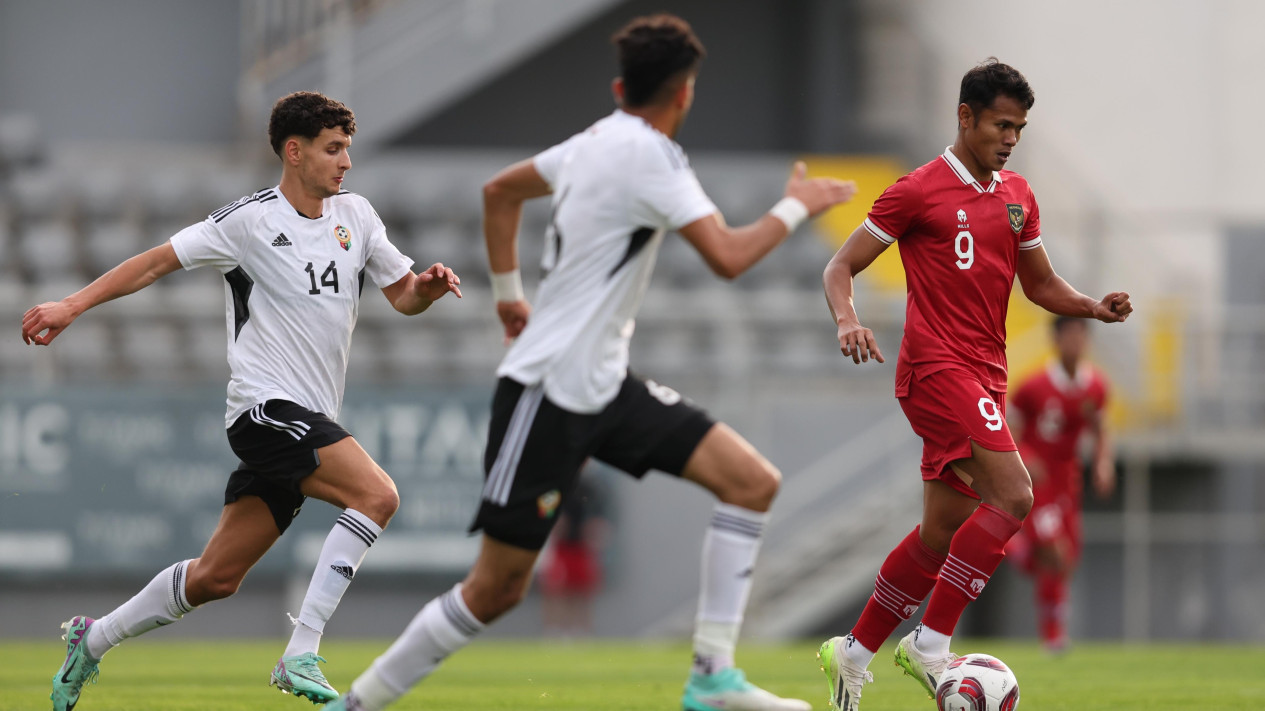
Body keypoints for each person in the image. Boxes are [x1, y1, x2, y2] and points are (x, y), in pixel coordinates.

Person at [323, 13, 855, 711]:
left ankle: (712, 677)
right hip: (546, 390)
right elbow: (727, 256)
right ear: (684, 94)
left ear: (618, 86)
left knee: (750, 481)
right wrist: (795, 206)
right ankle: (356, 705)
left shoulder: (591, 141)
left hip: (603, 385)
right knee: (496, 588)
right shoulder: (653, 156)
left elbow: (499, 192)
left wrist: (510, 297)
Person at [22, 91, 463, 711]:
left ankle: (90, 641)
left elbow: (401, 295)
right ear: (295, 150)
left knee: (215, 578)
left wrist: (430, 288)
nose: (346, 162)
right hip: (263, 409)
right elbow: (153, 264)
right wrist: (71, 305)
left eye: (348, 149)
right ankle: (301, 651)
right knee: (378, 495)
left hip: (309, 418)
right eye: (334, 149)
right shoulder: (249, 222)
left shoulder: (357, 216)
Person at [817, 59, 1133, 710]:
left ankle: (851, 652)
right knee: (1014, 495)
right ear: (964, 118)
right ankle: (931, 643)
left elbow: (1040, 285)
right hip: (933, 368)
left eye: (1017, 127)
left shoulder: (1018, 195)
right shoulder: (916, 191)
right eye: (999, 124)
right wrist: (847, 319)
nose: (1009, 138)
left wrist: (1090, 307)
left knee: (943, 527)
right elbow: (839, 265)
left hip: (985, 374)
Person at [1006, 316, 1114, 653]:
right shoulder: (1033, 386)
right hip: (1040, 482)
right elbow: (1008, 428)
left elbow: (1100, 428)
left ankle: (1015, 547)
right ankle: (1053, 635)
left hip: (1069, 479)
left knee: (1067, 557)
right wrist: (1024, 456)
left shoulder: (1094, 385)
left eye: (1081, 335)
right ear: (1055, 339)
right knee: (1056, 551)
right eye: (1068, 335)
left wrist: (1103, 462)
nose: (1075, 342)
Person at [539, 466, 611, 637]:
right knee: (557, 590)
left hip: (582, 547)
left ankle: (581, 631)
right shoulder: (555, 483)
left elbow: (600, 511)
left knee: (582, 590)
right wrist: (552, 521)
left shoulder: (591, 483)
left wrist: (597, 526)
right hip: (561, 547)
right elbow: (544, 509)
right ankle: (554, 630)